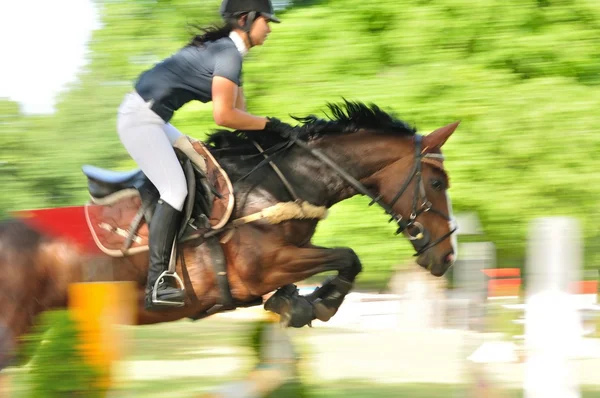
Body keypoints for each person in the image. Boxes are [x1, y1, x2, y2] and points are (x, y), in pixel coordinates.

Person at [116, 0, 302, 310]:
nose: (269, 28)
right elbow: (225, 117)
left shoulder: (230, 55)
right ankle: (157, 281)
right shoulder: (227, 54)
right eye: (266, 21)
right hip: (140, 120)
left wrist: (275, 134)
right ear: (246, 19)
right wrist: (272, 124)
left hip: (155, 120)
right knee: (175, 189)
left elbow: (241, 116)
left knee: (206, 167)